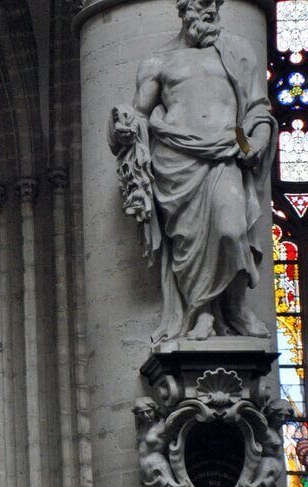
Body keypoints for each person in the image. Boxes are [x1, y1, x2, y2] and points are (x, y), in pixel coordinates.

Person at [109, 0, 276, 341]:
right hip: (175, 162)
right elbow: (139, 112)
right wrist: (121, 128)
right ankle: (201, 314)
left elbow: (257, 109)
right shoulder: (159, 61)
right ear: (182, 13)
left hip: (226, 152)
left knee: (231, 229)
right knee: (188, 245)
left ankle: (237, 308)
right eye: (194, 9)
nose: (202, 18)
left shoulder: (236, 50)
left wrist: (254, 143)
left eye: (209, 9)